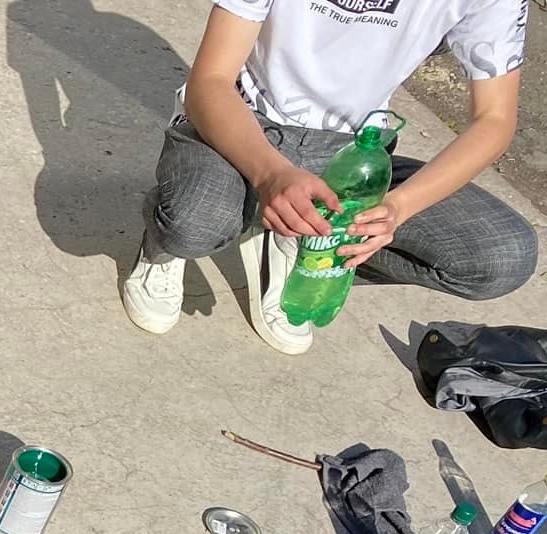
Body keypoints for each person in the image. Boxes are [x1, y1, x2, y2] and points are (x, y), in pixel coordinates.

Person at [122, 0, 535, 356]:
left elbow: (494, 119)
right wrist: (271, 173)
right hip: (243, 123)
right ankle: (174, 240)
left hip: (350, 151)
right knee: (195, 224)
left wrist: (397, 207)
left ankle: (301, 240)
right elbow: (209, 83)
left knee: (501, 256)